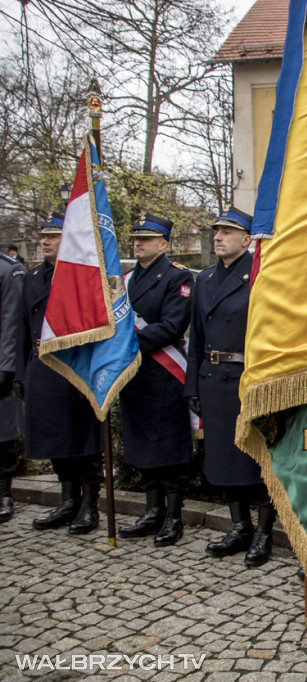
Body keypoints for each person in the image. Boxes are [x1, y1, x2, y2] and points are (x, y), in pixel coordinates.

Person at [185, 207, 276, 566]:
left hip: (247, 380)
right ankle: (240, 526)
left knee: (257, 459)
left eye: (226, 231)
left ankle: (265, 531)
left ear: (246, 238)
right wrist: (191, 386)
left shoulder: (261, 275)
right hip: (213, 380)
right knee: (222, 459)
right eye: (216, 232)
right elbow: (195, 339)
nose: (218, 237)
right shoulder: (205, 278)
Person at [16, 212, 104, 534]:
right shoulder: (33, 276)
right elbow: (22, 327)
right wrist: (20, 372)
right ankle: (68, 502)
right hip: (41, 365)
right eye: (43, 235)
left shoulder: (80, 276)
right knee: (54, 439)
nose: (44, 241)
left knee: (82, 439)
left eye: (52, 236)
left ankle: (90, 506)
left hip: (74, 365)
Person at [118, 213, 195, 547]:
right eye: (136, 238)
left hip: (164, 374)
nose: (138, 243)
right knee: (143, 445)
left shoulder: (177, 277)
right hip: (134, 376)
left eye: (146, 239)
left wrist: (126, 345)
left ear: (163, 244)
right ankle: (151, 511)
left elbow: (171, 326)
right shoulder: (125, 280)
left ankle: (173, 517)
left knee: (169, 447)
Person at [0, 247, 25, 523]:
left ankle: (3, 493)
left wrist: (6, 366)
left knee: (2, 434)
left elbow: (11, 323)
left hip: (0, 362)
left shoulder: (8, 270)